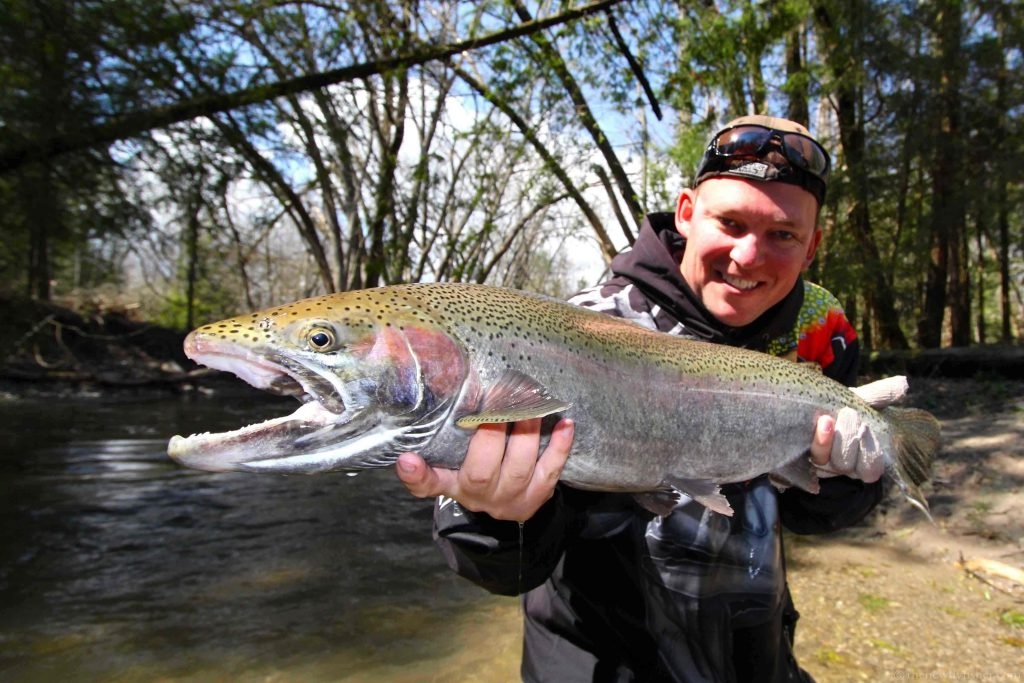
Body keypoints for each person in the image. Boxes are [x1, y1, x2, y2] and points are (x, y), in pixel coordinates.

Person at [396, 115, 887, 682]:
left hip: (756, 658)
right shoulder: (572, 331)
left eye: (783, 235)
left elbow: (812, 514)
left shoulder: (822, 333)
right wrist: (495, 518)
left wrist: (848, 477)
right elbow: (506, 568)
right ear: (685, 213)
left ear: (813, 246)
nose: (749, 257)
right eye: (729, 222)